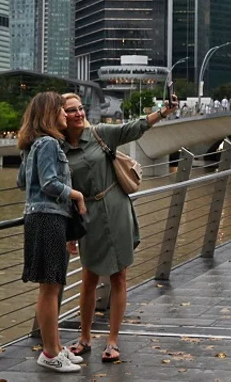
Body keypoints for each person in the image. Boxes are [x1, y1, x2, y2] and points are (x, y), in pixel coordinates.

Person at [64, 91, 179, 363]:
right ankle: (85, 338)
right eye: (71, 110)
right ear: (60, 116)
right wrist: (69, 232)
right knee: (89, 279)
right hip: (87, 214)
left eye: (80, 108)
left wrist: (164, 112)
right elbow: (63, 191)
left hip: (116, 208)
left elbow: (134, 128)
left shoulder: (100, 133)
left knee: (119, 277)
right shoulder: (59, 148)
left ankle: (113, 341)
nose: (79, 113)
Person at [16, 92, 87, 374]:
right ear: (50, 114)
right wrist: (77, 194)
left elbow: (22, 181)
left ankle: (55, 347)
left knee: (54, 284)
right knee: (50, 288)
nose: (65, 114)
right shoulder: (47, 143)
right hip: (47, 218)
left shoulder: (36, 145)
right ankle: (49, 351)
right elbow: (48, 183)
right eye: (60, 109)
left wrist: (27, 155)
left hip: (43, 217)